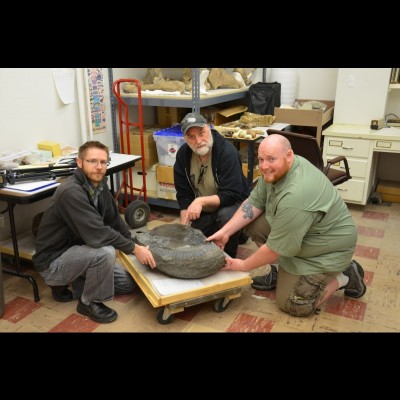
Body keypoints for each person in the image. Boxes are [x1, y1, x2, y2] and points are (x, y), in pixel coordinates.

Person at [207, 134, 366, 317]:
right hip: (304, 235)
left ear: (289, 155)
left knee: (292, 304)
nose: (264, 166)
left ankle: (346, 275)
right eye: (261, 159)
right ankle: (278, 272)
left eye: (271, 159)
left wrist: (243, 265)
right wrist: (225, 232)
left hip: (327, 249)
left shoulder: (297, 194)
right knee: (253, 223)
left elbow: (274, 249)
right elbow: (255, 203)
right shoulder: (277, 170)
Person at [32, 141, 156, 324]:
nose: (99, 167)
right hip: (54, 262)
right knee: (105, 251)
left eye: (103, 162)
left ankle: (77, 283)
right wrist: (134, 250)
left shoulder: (100, 185)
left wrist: (135, 244)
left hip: (79, 251)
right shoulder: (71, 192)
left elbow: (115, 221)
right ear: (80, 162)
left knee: (127, 283)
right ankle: (89, 302)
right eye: (92, 161)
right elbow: (98, 233)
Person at [173, 112, 251, 258]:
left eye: (201, 133)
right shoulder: (183, 155)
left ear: (209, 127)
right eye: (191, 137)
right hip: (206, 211)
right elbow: (183, 195)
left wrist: (200, 201)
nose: (199, 140)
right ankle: (234, 233)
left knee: (226, 215)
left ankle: (229, 256)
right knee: (192, 239)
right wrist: (185, 228)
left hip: (233, 205)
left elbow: (232, 194)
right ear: (185, 139)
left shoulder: (227, 152)